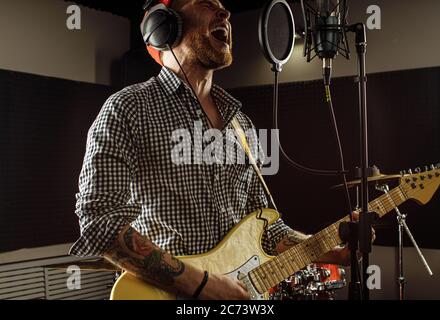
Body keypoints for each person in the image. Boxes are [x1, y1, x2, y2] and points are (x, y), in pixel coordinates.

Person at [70, 0, 352, 300]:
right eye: (206, 3)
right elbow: (98, 220)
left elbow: (269, 231)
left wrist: (330, 250)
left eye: (224, 6)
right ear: (165, 26)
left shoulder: (240, 123)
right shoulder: (127, 110)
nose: (225, 13)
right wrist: (200, 284)